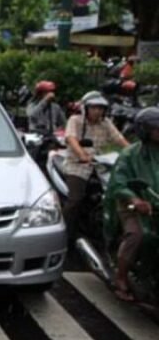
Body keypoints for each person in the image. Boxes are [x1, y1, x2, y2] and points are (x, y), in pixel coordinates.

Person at [105, 107, 159, 301]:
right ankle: (120, 278)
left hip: (157, 205)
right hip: (133, 205)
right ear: (145, 130)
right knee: (140, 235)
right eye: (156, 129)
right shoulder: (130, 154)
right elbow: (118, 183)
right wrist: (135, 200)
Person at [63, 91, 129, 239]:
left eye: (100, 108)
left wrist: (134, 153)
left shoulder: (105, 123)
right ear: (85, 108)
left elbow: (119, 139)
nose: (97, 111)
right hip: (77, 165)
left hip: (99, 165)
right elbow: (71, 138)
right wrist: (82, 155)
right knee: (75, 200)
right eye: (94, 107)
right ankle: (66, 235)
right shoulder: (75, 120)